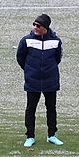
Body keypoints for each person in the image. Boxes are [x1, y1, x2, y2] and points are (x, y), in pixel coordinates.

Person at [17, 13, 64, 147]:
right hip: (33, 81)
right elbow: (20, 58)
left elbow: (57, 58)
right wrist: (29, 70)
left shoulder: (55, 41)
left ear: (45, 27)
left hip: (50, 81)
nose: (35, 27)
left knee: (51, 108)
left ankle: (52, 135)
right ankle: (30, 136)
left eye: (38, 25)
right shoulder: (26, 40)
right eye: (34, 25)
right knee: (31, 109)